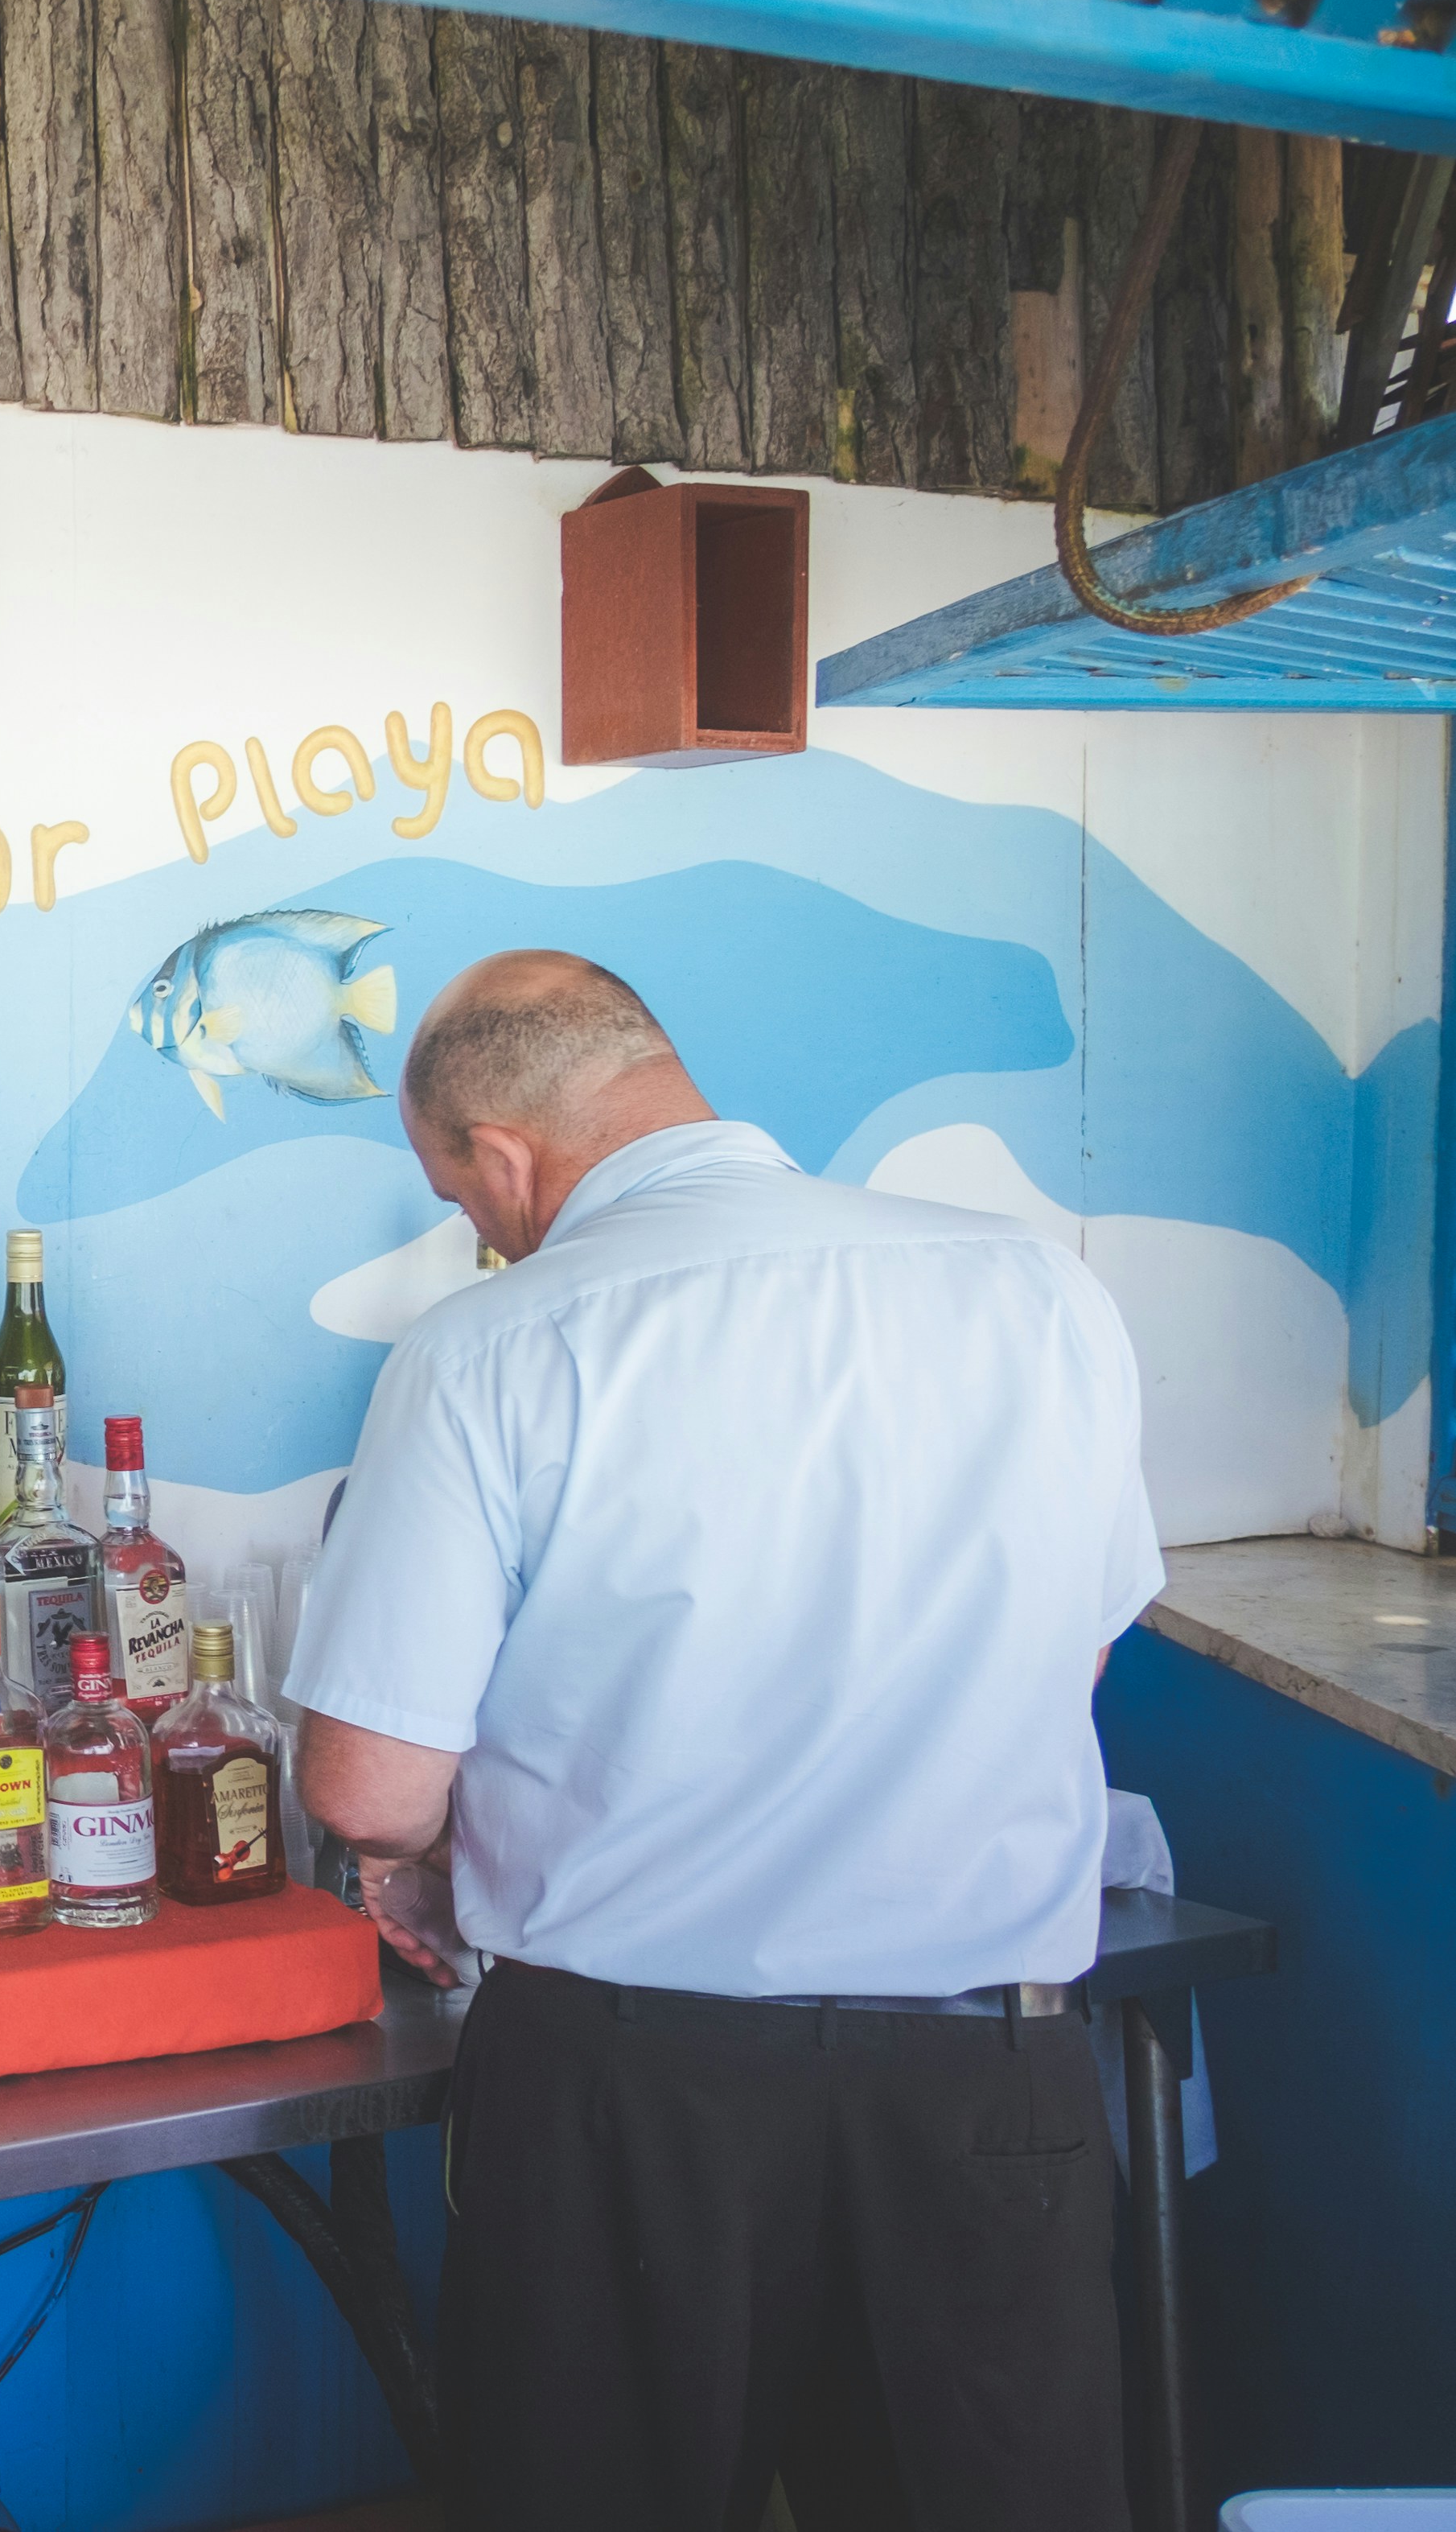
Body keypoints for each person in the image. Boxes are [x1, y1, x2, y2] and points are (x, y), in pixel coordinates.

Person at [286, 950, 1158, 2532]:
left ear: (498, 1157)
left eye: (457, 1193)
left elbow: (365, 1787)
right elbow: (1072, 1647)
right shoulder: (1035, 1289)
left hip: (634, 2092)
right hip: (986, 2073)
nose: (476, 1230)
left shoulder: (491, 1346)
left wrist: (419, 1859)